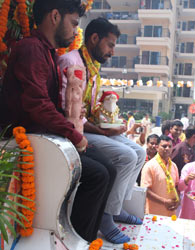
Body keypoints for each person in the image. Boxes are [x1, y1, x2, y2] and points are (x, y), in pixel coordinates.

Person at [0, 0, 118, 243]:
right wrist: (75, 135)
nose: (76, 31)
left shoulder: (48, 53)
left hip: (47, 136)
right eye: (74, 23)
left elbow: (48, 106)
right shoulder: (31, 49)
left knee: (110, 169)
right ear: (55, 16)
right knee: (98, 175)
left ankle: (85, 239)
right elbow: (38, 105)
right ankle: (75, 240)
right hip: (27, 139)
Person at [58, 18, 146, 244]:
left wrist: (111, 123)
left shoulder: (93, 68)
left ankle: (116, 210)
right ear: (94, 39)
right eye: (110, 45)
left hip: (90, 127)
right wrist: (100, 129)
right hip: (71, 129)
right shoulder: (71, 61)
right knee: (125, 156)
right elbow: (68, 109)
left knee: (139, 152)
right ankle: (106, 218)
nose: (112, 51)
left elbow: (92, 108)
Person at [141, 135, 180, 216]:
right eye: (164, 146)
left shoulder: (174, 166)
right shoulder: (149, 166)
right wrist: (164, 202)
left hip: (171, 211)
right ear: (157, 147)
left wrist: (177, 200)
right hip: (154, 213)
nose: (167, 149)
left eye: (170, 146)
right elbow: (145, 191)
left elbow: (176, 186)